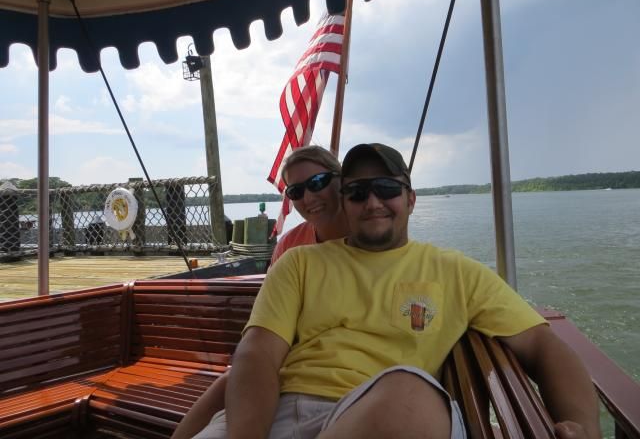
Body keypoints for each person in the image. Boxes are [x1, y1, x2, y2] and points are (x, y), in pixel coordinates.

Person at [191, 143, 601, 439]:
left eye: (386, 189)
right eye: (357, 192)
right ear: (345, 202)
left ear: (411, 199)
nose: (372, 202)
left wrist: (581, 425)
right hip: (278, 412)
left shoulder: (455, 271)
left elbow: (542, 345)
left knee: (409, 395)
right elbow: (259, 353)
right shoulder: (299, 263)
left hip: (385, 414)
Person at [171, 145, 349, 439]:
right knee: (231, 380)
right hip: (285, 357)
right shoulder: (290, 246)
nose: (308, 198)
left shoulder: (369, 240)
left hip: (332, 370)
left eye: (317, 183)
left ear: (341, 180)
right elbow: (270, 318)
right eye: (296, 191)